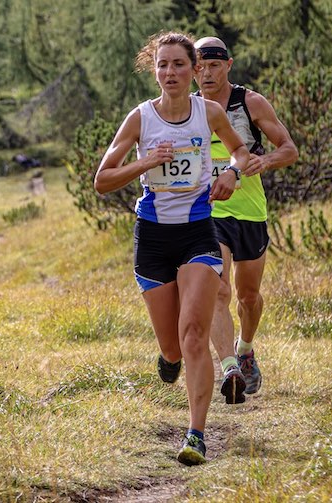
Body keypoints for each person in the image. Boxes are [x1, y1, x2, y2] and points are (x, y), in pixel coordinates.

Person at [94, 31, 251, 466]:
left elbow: (241, 152)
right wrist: (146, 162)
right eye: (162, 65)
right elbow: (102, 180)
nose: (170, 73)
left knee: (194, 335)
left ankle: (196, 434)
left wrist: (231, 175)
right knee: (173, 347)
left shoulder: (210, 112)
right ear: (154, 70)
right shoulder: (140, 119)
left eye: (179, 64)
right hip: (154, 236)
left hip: (199, 232)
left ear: (195, 69)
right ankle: (168, 360)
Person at [192, 37, 299, 400]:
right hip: (210, 212)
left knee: (249, 296)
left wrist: (264, 161)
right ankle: (229, 368)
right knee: (218, 290)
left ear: (228, 65)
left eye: (214, 66)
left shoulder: (249, 103)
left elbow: (289, 149)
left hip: (250, 211)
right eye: (200, 67)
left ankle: (245, 349)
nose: (206, 74)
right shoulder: (187, 110)